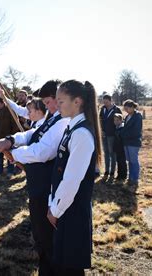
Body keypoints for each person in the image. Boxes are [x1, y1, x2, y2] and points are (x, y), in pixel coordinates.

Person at [0, 80, 69, 275]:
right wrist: (12, 140)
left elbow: (43, 151)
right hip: (37, 184)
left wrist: (15, 154)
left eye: (49, 101)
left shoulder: (63, 121)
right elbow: (33, 134)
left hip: (47, 187)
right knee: (40, 236)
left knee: (47, 236)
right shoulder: (53, 118)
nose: (47, 106)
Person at [47, 80, 102, 275]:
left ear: (77, 101)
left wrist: (55, 209)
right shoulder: (72, 128)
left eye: (61, 101)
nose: (57, 105)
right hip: (65, 209)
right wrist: (53, 202)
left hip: (72, 211)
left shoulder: (82, 134)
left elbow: (72, 180)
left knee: (70, 269)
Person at [99, 94, 122, 178]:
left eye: (106, 102)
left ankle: (112, 172)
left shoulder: (117, 109)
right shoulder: (103, 109)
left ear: (110, 100)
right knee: (106, 153)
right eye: (103, 102)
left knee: (112, 153)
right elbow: (100, 120)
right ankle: (106, 171)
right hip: (104, 135)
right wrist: (101, 130)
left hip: (112, 135)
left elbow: (120, 122)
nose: (105, 103)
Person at [120, 99, 143, 184]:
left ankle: (135, 178)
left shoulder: (137, 116)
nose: (126, 110)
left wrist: (124, 135)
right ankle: (130, 177)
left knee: (134, 160)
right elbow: (125, 128)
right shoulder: (127, 116)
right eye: (125, 109)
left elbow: (136, 130)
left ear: (133, 107)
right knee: (129, 161)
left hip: (133, 142)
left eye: (127, 108)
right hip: (126, 142)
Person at [113, 113, 127, 181]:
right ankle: (119, 175)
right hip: (117, 148)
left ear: (121, 120)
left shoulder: (122, 128)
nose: (116, 122)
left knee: (122, 162)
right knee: (118, 161)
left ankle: (123, 176)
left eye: (118, 120)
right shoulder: (116, 128)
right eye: (115, 120)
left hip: (122, 148)